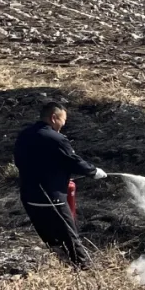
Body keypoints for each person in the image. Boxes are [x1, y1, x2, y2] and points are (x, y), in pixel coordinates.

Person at [14, 102, 107, 269]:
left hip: (28, 196)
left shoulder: (24, 135)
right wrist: (93, 172)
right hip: (51, 198)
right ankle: (85, 269)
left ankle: (65, 264)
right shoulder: (56, 139)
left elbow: (20, 162)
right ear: (54, 118)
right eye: (63, 120)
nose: (64, 124)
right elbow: (73, 161)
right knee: (69, 235)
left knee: (49, 235)